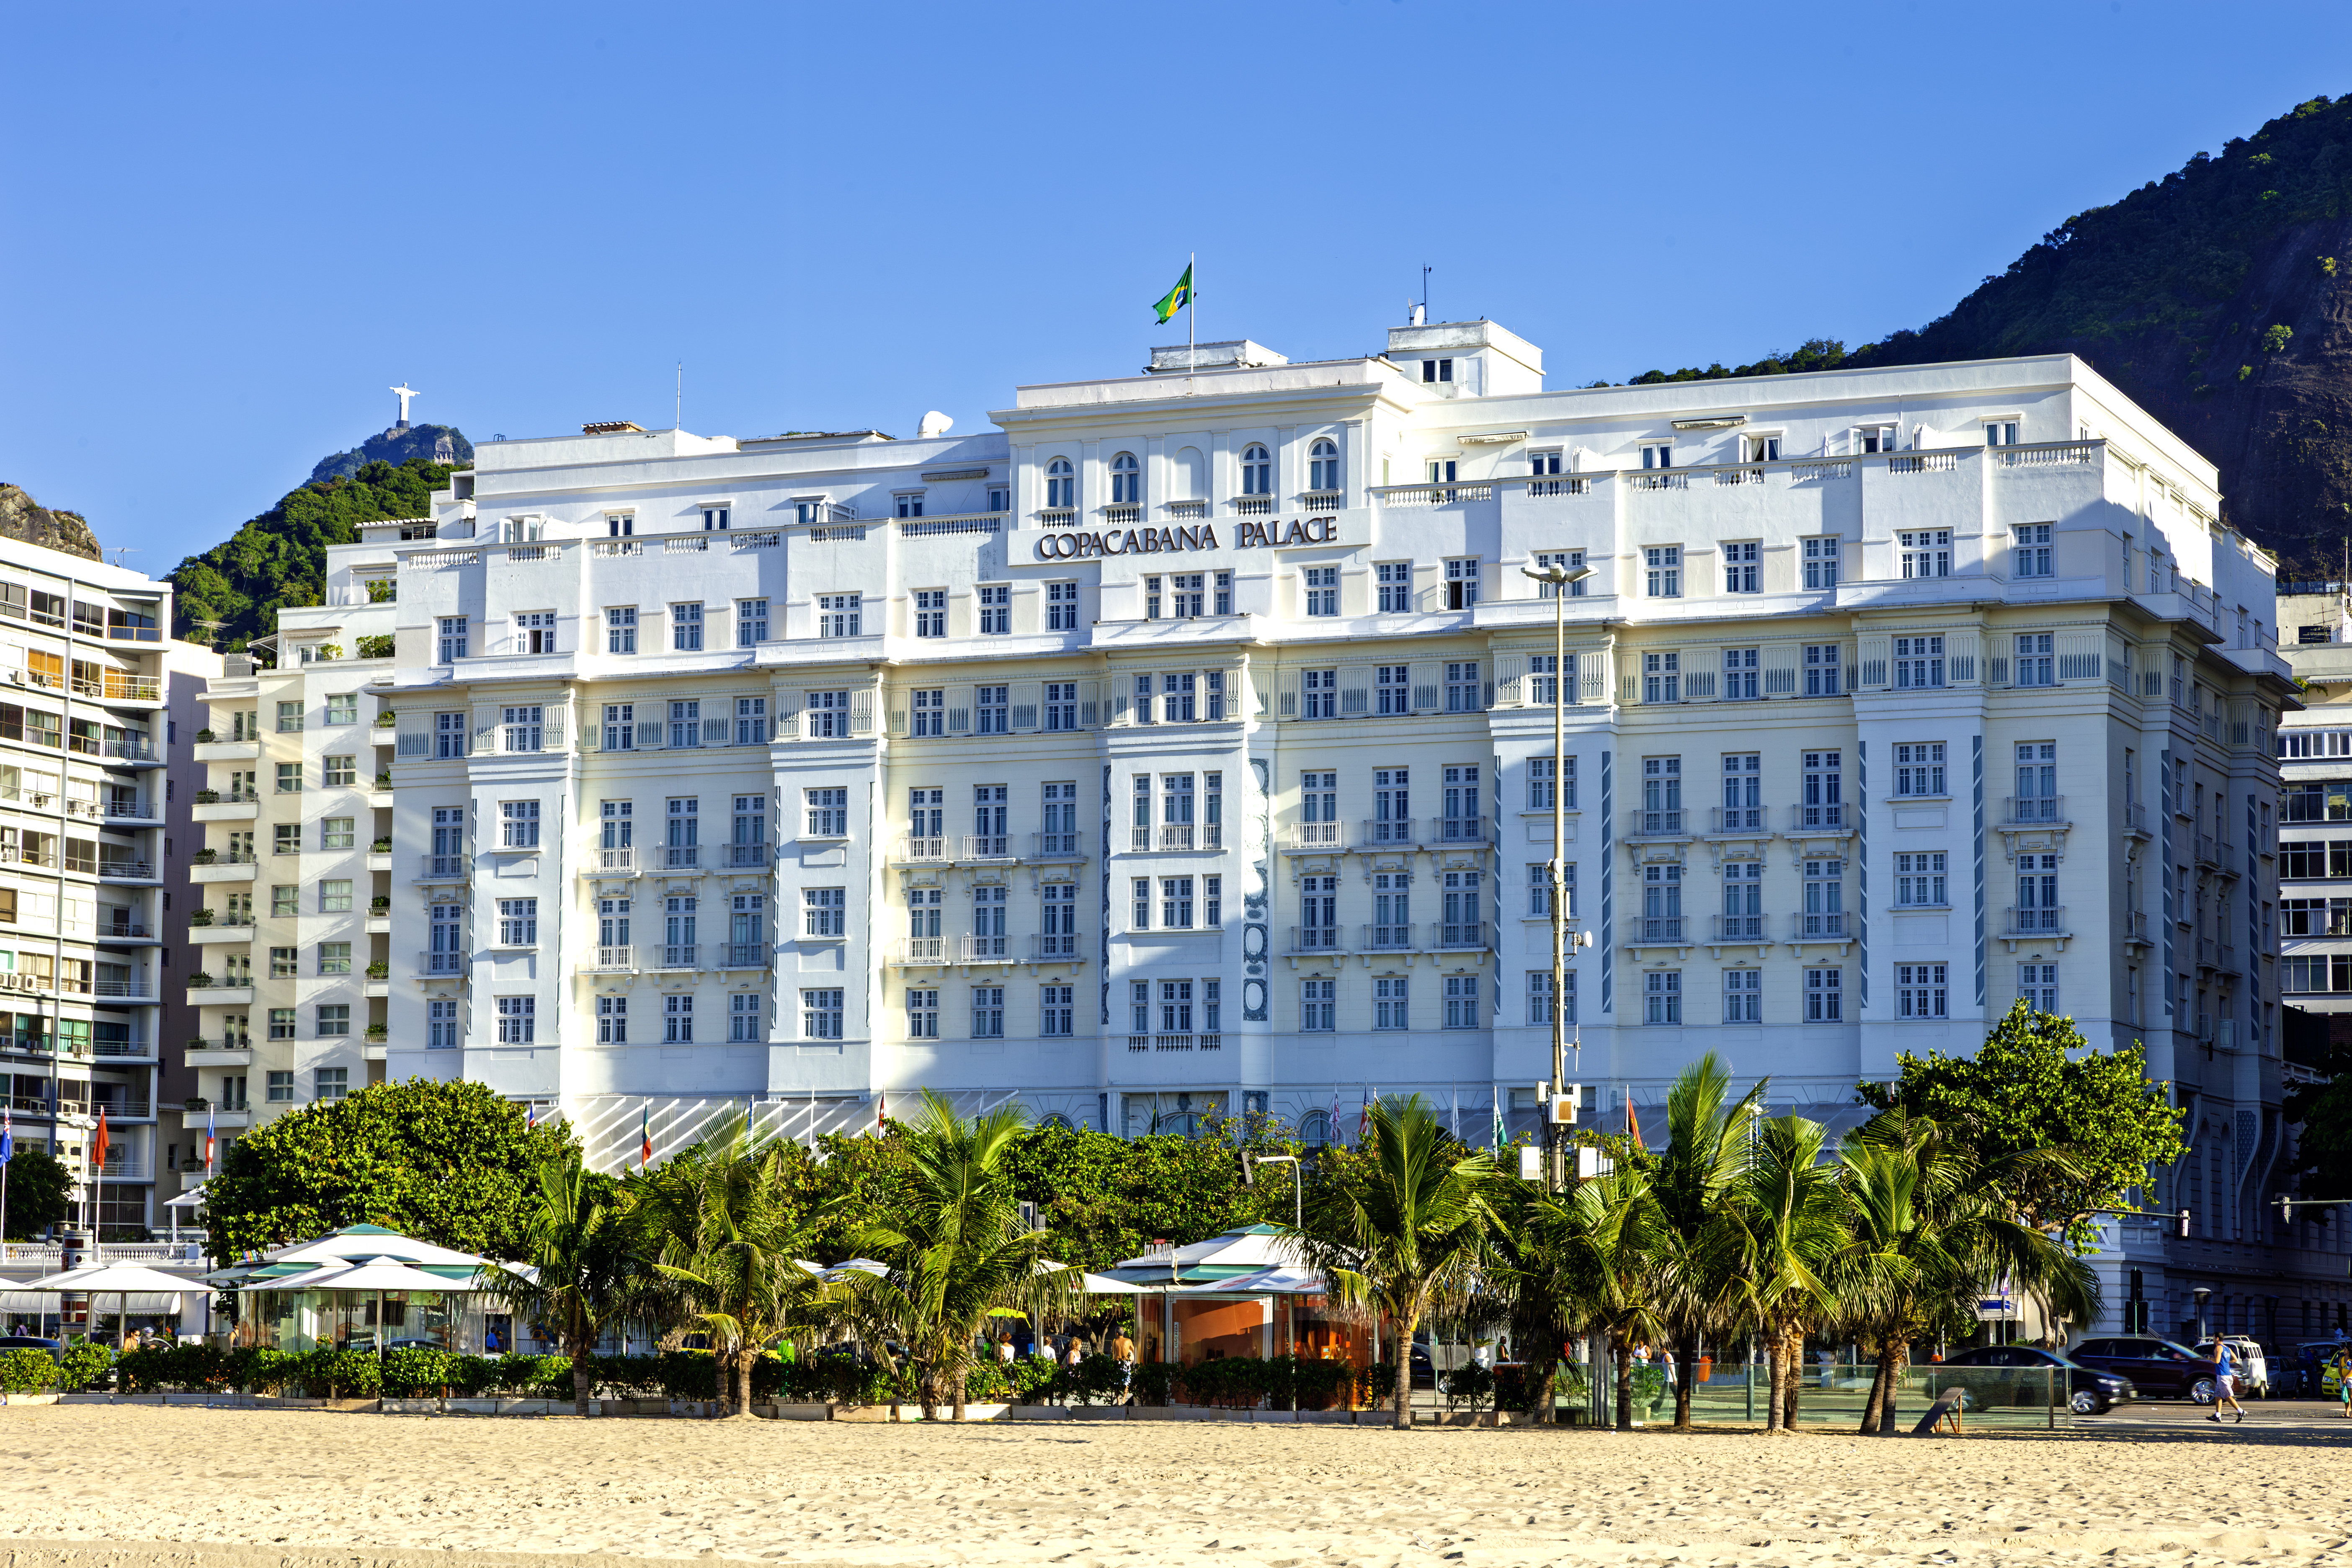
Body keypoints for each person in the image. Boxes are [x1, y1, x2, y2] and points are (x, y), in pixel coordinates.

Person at [2208, 1338, 2246, 1424]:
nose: (2213, 1340)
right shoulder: (2228, 1349)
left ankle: (2241, 1411)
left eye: (2214, 1338)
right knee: (2218, 1395)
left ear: (2217, 1339)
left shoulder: (2219, 1347)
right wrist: (2225, 1362)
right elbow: (2235, 1359)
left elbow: (2217, 1361)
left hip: (2222, 1376)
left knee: (2227, 1396)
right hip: (2227, 1375)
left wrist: (2210, 1358)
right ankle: (2217, 1416)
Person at [2331, 1345, 2350, 1418]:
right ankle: (2347, 1413)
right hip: (2343, 1379)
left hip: (2351, 1378)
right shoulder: (2341, 1358)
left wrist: (2346, 1378)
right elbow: (2340, 1368)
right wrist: (2342, 1377)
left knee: (2351, 1397)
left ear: (2349, 1350)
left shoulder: (2351, 1359)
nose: (2344, 1351)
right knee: (2346, 1396)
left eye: (2345, 1350)